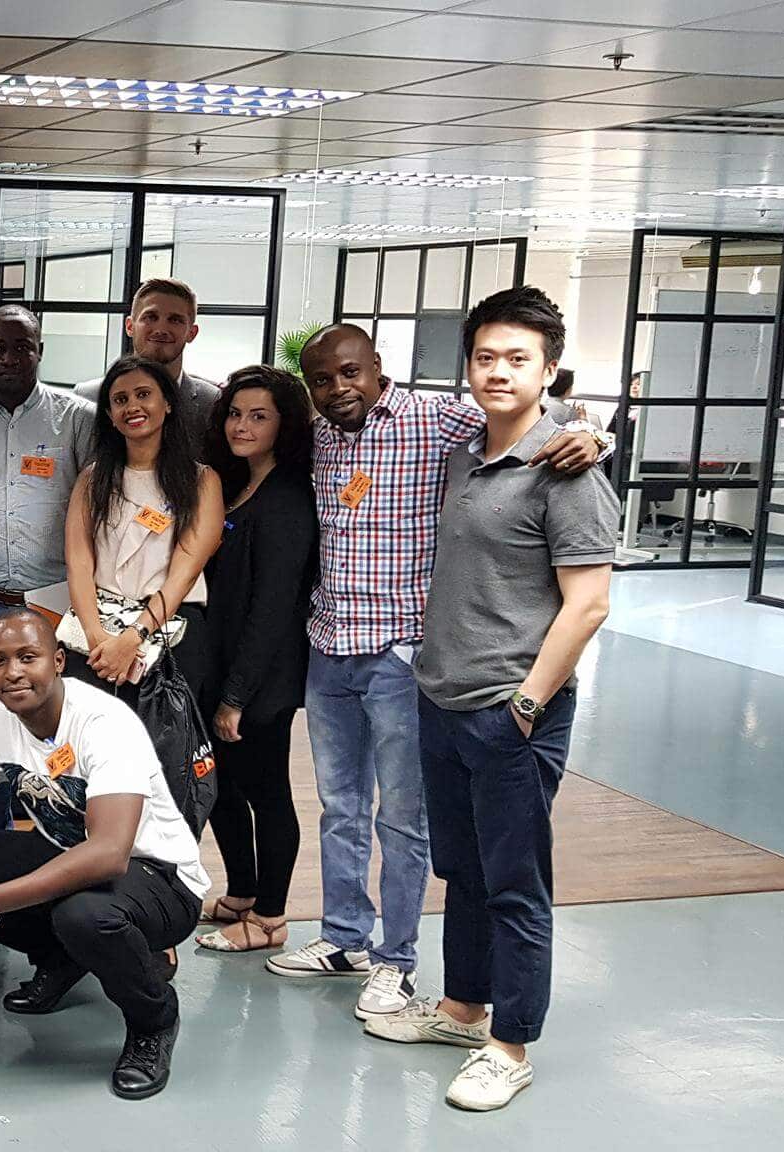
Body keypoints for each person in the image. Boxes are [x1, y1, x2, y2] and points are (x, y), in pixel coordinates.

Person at [270, 323, 606, 1022]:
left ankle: (395, 961)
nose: (339, 389)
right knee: (340, 807)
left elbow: (536, 421)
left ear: (378, 366)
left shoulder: (436, 419)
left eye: (351, 373)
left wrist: (593, 434)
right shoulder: (319, 435)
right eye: (322, 380)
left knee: (403, 817)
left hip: (404, 654)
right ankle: (344, 938)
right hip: (330, 646)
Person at [365, 288, 618, 1112]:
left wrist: (528, 705)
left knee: (514, 883)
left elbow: (588, 605)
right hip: (442, 699)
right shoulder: (467, 452)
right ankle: (463, 1009)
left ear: (549, 370)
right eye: (485, 357)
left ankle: (511, 1044)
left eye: (518, 359)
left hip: (511, 710)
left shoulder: (567, 470)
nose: (499, 372)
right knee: (463, 870)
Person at [0, 610, 209, 1101]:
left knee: (84, 916)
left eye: (28, 657)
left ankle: (154, 1020)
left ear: (59, 661)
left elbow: (109, 853)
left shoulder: (103, 722)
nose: (13, 672)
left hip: (160, 877)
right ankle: (62, 959)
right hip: (71, 852)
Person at [191, 366, 317, 955]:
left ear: (283, 425)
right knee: (221, 786)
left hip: (261, 680)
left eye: (259, 416)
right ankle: (241, 892)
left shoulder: (287, 499)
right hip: (224, 668)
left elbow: (273, 608)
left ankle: (270, 918)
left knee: (267, 793)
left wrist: (236, 696)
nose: (242, 426)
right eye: (236, 414)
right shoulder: (238, 483)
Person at [0, 305, 96, 706]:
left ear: (40, 350)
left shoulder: (79, 421)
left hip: (60, 606)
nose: (8, 358)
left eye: (21, 347)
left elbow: (99, 519)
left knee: (62, 721)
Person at [63, 355, 223, 701]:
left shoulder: (202, 481)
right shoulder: (92, 479)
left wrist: (133, 637)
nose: (132, 406)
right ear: (110, 415)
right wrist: (97, 638)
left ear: (168, 403)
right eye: (120, 399)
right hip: (96, 633)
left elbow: (184, 574)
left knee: (160, 736)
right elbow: (79, 563)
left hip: (169, 631)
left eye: (143, 394)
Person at [74, 278, 223, 437]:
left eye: (175, 320)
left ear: (192, 333)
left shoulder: (212, 402)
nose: (161, 329)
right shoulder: (88, 397)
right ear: (130, 326)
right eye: (150, 317)